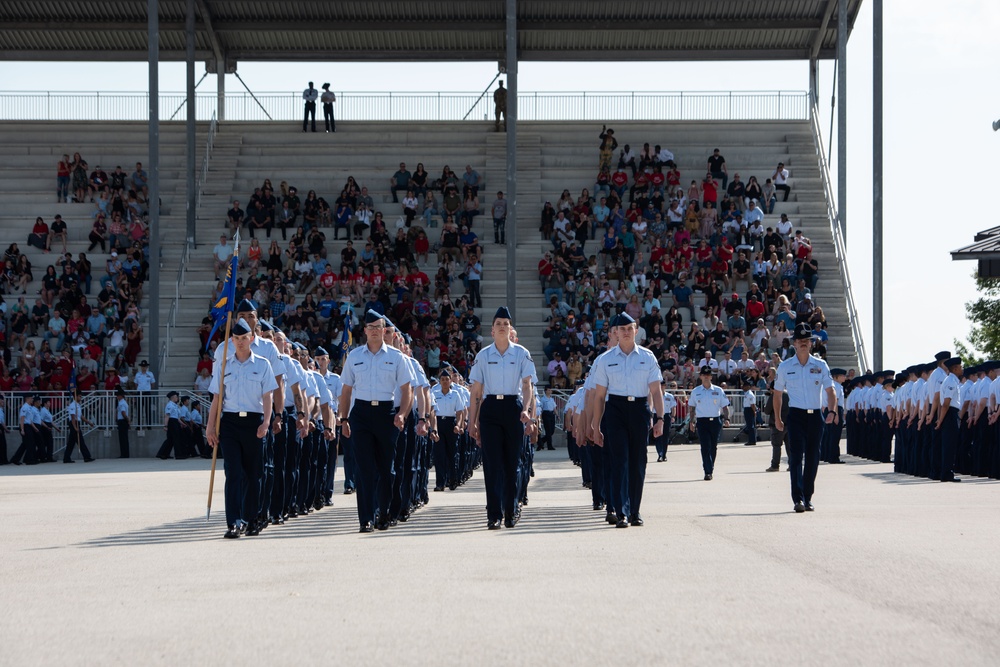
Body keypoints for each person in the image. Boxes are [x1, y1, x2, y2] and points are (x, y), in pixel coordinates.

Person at [337, 311, 414, 533]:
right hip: (360, 413)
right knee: (365, 469)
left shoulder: (396, 357)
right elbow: (346, 390)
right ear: (365, 331)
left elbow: (406, 389)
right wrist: (343, 419)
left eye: (377, 327)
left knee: (387, 470)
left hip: (386, 414)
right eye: (369, 327)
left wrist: (402, 414)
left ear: (384, 331)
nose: (373, 331)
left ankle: (384, 512)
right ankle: (366, 518)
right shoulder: (354, 356)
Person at [589, 314, 665, 528]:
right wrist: (596, 425)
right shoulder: (606, 359)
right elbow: (599, 396)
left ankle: (635, 511)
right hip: (615, 410)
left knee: (638, 462)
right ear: (615, 332)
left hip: (640, 409)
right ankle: (620, 511)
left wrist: (659, 418)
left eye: (629, 328)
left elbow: (656, 391)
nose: (625, 332)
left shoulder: (648, 357)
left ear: (636, 330)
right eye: (621, 329)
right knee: (619, 461)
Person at [207, 317, 279, 538]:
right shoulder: (223, 365)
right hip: (229, 423)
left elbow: (268, 396)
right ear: (232, 340)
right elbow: (217, 399)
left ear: (252, 338)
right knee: (234, 473)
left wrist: (267, 421)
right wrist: (210, 426)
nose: (240, 342)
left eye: (244, 338)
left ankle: (251, 518)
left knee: (254, 474)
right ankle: (234, 522)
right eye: (236, 338)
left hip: (253, 423)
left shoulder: (262, 364)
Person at [468, 306, 537, 529]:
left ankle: (511, 509)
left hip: (513, 407)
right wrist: (472, 421)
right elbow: (476, 392)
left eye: (506, 324)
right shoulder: (483, 355)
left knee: (512, 463)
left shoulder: (522, 353)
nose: (502, 327)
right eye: (498, 324)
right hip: (490, 410)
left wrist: (526, 410)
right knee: (492, 464)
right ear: (492, 330)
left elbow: (527, 385)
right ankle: (494, 514)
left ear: (510, 329)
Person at [773, 323, 837, 512]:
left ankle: (808, 497)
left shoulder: (820, 365)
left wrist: (832, 411)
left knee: (813, 457)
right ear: (794, 343)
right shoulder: (785, 367)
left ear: (811, 343)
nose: (803, 343)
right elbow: (777, 394)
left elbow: (830, 390)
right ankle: (797, 499)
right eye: (800, 340)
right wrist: (777, 418)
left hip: (815, 416)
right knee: (795, 457)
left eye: (806, 340)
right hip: (796, 416)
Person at [687, 366, 731, 480]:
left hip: (715, 421)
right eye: (704, 375)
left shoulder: (718, 390)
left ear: (711, 376)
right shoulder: (696, 391)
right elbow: (692, 408)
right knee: (705, 446)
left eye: (708, 375)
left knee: (713, 447)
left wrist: (727, 419)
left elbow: (725, 406)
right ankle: (707, 471)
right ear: (700, 376)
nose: (706, 377)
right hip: (702, 421)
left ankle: (710, 466)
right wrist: (691, 422)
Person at [937, 357, 964, 483]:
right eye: (960, 367)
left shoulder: (952, 380)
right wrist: (941, 420)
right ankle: (947, 473)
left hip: (950, 413)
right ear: (955, 368)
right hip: (950, 414)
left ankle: (947, 472)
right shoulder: (951, 382)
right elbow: (946, 403)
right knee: (949, 445)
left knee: (950, 445)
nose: (962, 369)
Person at [64, 389, 95, 463]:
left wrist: (89, 422)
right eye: (80, 396)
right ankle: (87, 457)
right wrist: (75, 427)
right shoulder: (72, 405)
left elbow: (81, 416)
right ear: (76, 396)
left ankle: (66, 458)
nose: (81, 398)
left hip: (77, 423)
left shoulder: (78, 405)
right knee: (80, 441)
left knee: (71, 443)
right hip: (74, 423)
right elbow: (72, 417)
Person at [538, 387, 557, 451]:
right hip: (546, 414)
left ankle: (541, 441)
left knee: (552, 431)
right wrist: (540, 418)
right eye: (549, 390)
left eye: (550, 390)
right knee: (548, 431)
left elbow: (554, 408)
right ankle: (550, 446)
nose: (550, 391)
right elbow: (541, 409)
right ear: (545, 391)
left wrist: (557, 415)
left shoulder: (552, 399)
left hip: (551, 414)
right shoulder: (543, 399)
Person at [115, 388, 130, 458]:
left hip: (122, 421)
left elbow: (123, 412)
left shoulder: (122, 403)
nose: (117, 397)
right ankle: (125, 453)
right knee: (124, 438)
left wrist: (127, 420)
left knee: (123, 439)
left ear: (121, 396)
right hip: (123, 421)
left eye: (118, 395)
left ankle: (124, 454)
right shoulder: (123, 402)